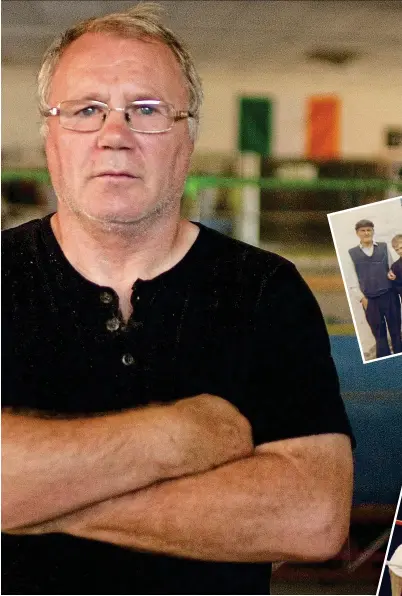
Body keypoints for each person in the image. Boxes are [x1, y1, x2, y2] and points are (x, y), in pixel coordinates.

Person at [2, 4, 354, 595]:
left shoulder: (265, 291)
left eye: (147, 111)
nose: (115, 136)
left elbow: (312, 518)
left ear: (187, 139)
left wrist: (32, 497)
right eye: (87, 110)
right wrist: (182, 437)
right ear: (50, 138)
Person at [348, 219, 402, 359]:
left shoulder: (383, 247)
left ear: (373, 231)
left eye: (369, 230)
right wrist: (362, 298)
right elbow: (352, 279)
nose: (366, 233)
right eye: (363, 230)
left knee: (396, 332)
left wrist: (392, 277)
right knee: (379, 335)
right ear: (357, 233)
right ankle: (385, 363)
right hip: (370, 300)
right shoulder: (352, 253)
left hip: (389, 296)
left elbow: (392, 269)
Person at [388, 233, 402, 299]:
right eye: (397, 249)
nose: (400, 251)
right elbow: (396, 288)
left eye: (401, 247)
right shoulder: (395, 267)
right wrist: (394, 279)